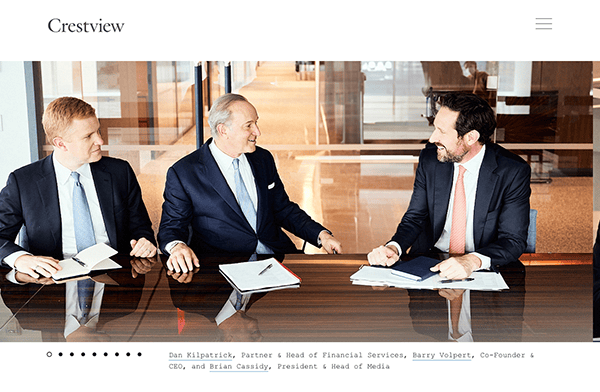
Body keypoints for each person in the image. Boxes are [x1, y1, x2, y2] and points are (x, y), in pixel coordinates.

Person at [158, 93, 342, 273]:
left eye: (256, 122)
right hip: (225, 269)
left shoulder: (262, 158)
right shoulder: (184, 173)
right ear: (223, 130)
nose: (258, 132)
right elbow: (170, 228)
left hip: (276, 259)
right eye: (249, 126)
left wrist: (321, 235)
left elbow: (282, 209)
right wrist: (177, 247)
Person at [368, 92, 530, 279]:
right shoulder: (430, 159)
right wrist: (394, 247)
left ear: (470, 137)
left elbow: (512, 240)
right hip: (430, 262)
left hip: (482, 268)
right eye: (435, 128)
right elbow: (415, 218)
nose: (432, 138)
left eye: (442, 131)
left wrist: (472, 261)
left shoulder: (512, 171)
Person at [0, 97, 156, 283]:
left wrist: (144, 242)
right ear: (60, 144)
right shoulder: (23, 182)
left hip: (115, 278)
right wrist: (20, 259)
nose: (100, 140)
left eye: (97, 130)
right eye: (88, 136)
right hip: (50, 284)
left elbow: (142, 228)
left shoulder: (120, 172)